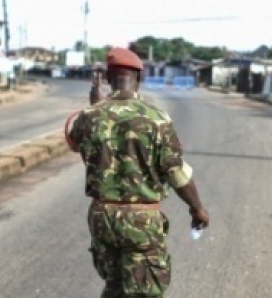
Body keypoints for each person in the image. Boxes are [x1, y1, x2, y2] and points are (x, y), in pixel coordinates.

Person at [68, 47, 210, 298]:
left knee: (114, 285)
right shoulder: (157, 119)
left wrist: (96, 106)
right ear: (139, 79)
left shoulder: (89, 116)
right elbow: (175, 172)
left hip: (103, 216)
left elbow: (79, 145)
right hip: (141, 220)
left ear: (109, 79)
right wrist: (196, 207)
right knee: (145, 291)